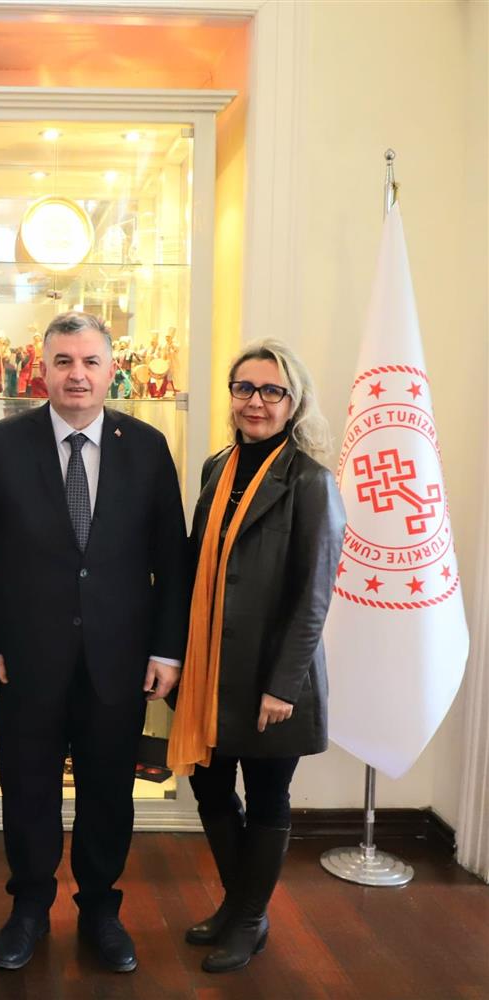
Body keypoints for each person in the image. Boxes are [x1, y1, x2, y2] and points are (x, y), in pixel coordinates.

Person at [0, 311, 190, 973]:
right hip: (24, 659)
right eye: (63, 361)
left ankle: (100, 910)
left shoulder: (146, 447)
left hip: (120, 659)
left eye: (90, 362)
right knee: (28, 789)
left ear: (111, 370)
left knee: (108, 791)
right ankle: (29, 908)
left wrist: (166, 650)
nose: (77, 375)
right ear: (43, 369)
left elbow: (172, 562)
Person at [167, 338, 345, 974]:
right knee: (212, 788)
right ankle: (241, 905)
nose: (256, 402)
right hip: (210, 668)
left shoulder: (312, 482)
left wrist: (283, 685)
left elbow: (314, 596)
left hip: (271, 676)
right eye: (244, 388)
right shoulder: (217, 467)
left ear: (295, 402)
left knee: (268, 795)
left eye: (272, 390)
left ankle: (246, 919)